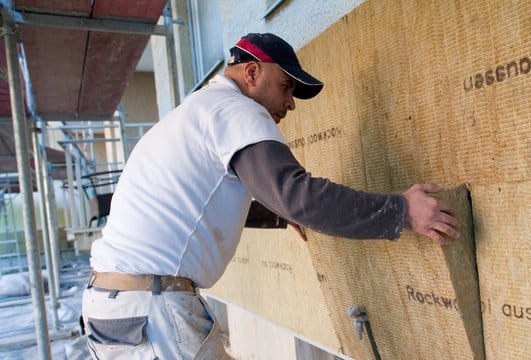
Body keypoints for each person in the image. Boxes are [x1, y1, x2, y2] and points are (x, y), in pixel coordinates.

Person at [81, 33, 459, 359]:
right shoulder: (235, 109)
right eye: (286, 87)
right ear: (251, 73)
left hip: (113, 308)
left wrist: (280, 213)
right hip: (151, 311)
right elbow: (300, 196)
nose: (290, 103)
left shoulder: (195, 113)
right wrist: (402, 211)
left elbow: (207, 198)